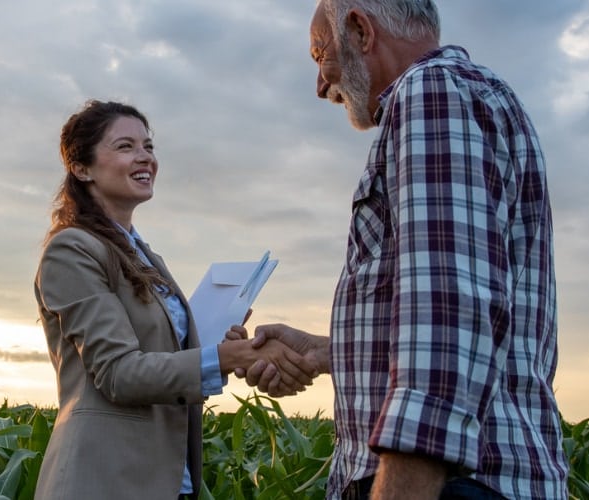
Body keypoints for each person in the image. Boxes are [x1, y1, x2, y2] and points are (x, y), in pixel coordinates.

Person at [239, 1, 569, 498]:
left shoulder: (429, 92)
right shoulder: (470, 95)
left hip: (451, 484)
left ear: (359, 30)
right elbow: (468, 305)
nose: (320, 84)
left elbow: (448, 311)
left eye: (319, 54)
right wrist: (329, 352)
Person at [33, 99, 313, 500]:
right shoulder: (72, 250)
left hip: (168, 480)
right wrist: (229, 358)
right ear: (81, 168)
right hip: (105, 480)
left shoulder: (145, 256)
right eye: (125, 146)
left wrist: (223, 346)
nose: (144, 156)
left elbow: (164, 357)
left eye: (148, 146)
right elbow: (119, 373)